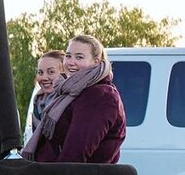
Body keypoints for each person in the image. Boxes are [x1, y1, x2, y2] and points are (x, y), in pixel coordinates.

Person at [22, 35, 126, 163]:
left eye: (79, 57)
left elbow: (75, 153)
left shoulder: (99, 96)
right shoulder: (72, 91)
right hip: (51, 174)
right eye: (68, 56)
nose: (71, 62)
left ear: (96, 61)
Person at [32, 50, 65, 131]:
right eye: (40, 72)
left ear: (64, 73)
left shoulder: (69, 102)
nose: (44, 77)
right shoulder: (37, 102)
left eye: (51, 72)